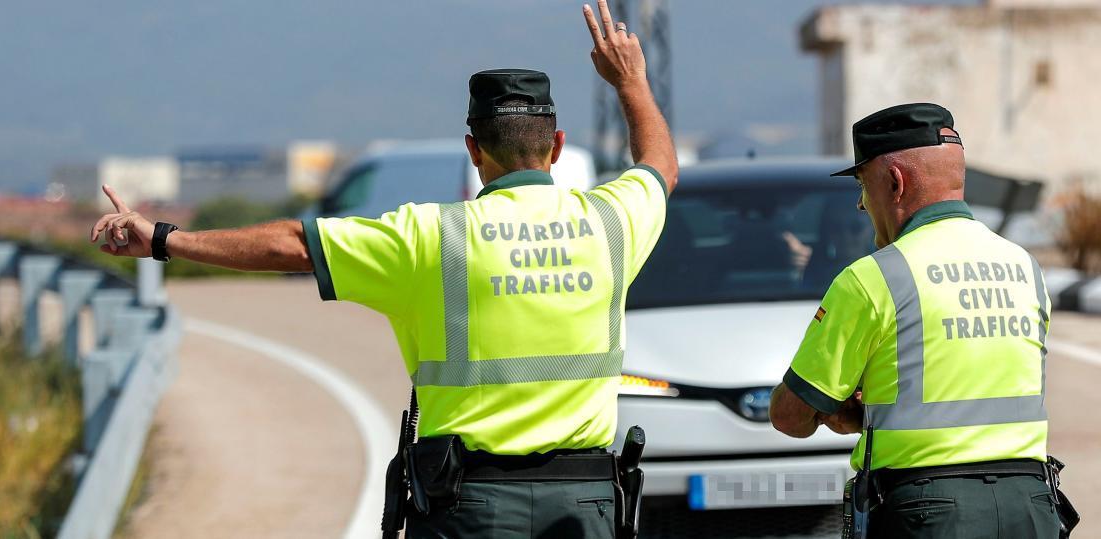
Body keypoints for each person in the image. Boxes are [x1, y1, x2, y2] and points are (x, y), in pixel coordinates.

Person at [88, 1, 677, 537]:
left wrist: (164, 239)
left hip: (470, 508)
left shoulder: (429, 236)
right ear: (557, 145)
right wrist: (631, 81)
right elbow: (659, 167)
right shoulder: (612, 221)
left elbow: (293, 245)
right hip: (584, 505)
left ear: (473, 150)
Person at [768, 103, 1070, 537]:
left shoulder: (872, 278)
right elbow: (974, 385)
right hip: (1031, 507)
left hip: (929, 513)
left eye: (862, 185)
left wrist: (842, 411)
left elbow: (790, 416)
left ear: (895, 182)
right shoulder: (1025, 267)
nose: (860, 203)